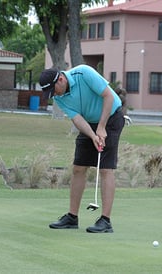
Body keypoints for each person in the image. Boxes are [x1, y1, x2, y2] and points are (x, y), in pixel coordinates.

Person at [40, 64, 124, 233]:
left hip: (111, 117)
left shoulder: (84, 73)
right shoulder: (59, 97)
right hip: (88, 123)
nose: (54, 95)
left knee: (106, 169)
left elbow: (108, 96)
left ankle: (105, 221)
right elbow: (77, 119)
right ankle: (72, 217)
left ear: (61, 79)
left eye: (53, 90)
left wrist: (101, 127)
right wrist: (93, 136)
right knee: (78, 167)